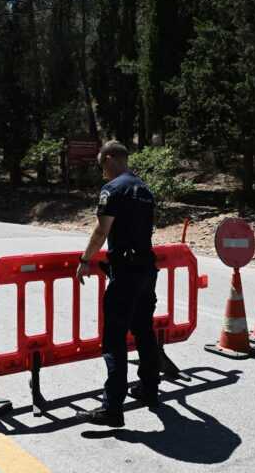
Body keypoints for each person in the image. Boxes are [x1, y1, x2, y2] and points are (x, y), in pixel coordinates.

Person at [75, 140, 160, 427]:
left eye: (102, 165)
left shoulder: (112, 189)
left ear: (110, 158)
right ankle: (149, 388)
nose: (102, 172)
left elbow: (102, 231)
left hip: (125, 271)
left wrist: (85, 259)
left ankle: (112, 408)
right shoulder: (144, 189)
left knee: (114, 339)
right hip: (147, 268)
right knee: (144, 331)